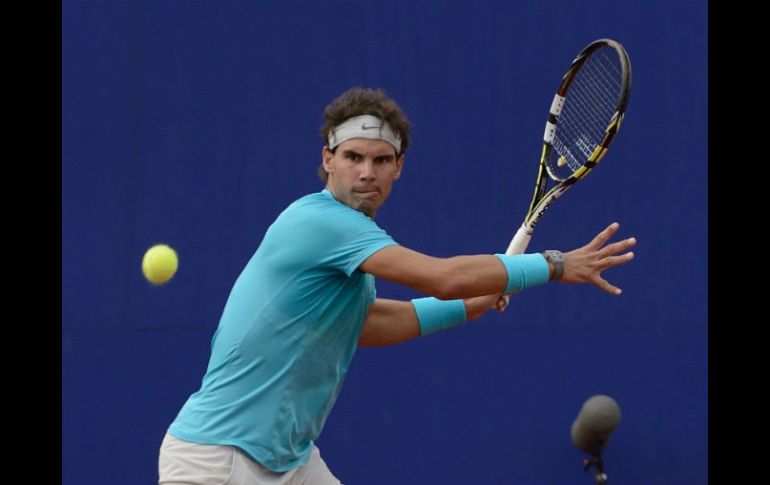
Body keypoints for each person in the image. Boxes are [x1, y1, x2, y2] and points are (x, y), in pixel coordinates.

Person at [158, 87, 636, 485]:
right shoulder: (322, 223)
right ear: (328, 160)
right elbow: (443, 277)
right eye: (353, 157)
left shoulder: (345, 242)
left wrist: (467, 307)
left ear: (398, 166)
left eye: (381, 159)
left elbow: (364, 325)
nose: (367, 172)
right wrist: (553, 264)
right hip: (218, 459)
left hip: (288, 461)